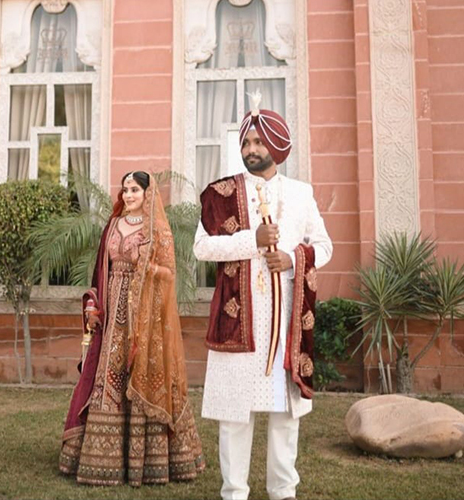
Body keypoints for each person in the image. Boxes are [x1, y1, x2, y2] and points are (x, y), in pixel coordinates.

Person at [194, 97, 333, 500]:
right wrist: (250, 241)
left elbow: (324, 247)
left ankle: (283, 492)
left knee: (284, 413)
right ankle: (234, 492)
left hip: (285, 317)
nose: (251, 149)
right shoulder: (221, 194)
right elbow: (201, 248)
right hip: (238, 319)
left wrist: (291, 258)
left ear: (277, 145)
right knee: (235, 416)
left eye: (259, 141)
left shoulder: (301, 194)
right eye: (246, 142)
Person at [59, 171, 205, 486]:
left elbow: (169, 274)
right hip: (113, 317)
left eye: (134, 189)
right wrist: (93, 306)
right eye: (124, 189)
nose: (128, 195)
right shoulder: (112, 226)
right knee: (108, 379)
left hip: (145, 320)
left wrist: (147, 265)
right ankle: (102, 458)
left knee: (139, 374)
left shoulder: (157, 231)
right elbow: (101, 270)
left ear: (147, 193)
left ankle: (147, 462)